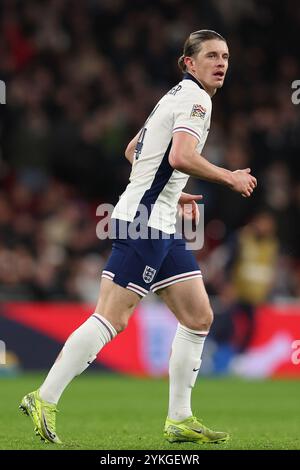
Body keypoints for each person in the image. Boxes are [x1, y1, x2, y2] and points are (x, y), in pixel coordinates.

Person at [20, 30, 257, 445]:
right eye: (212, 56)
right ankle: (44, 396)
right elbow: (179, 156)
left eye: (226, 56)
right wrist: (229, 176)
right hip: (143, 221)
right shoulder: (196, 100)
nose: (221, 63)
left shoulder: (174, 96)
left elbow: (135, 150)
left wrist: (172, 189)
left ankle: (179, 419)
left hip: (158, 219)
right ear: (189, 63)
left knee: (199, 317)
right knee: (111, 318)